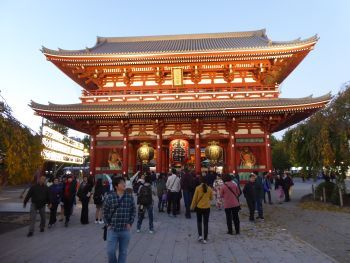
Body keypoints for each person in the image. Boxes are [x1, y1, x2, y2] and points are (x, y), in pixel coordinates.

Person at [104, 177, 136, 263]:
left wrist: (130, 222)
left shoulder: (129, 197)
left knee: (123, 251)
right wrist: (108, 224)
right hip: (113, 229)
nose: (124, 184)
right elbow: (105, 212)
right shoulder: (110, 197)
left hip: (125, 229)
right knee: (110, 251)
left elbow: (133, 211)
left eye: (124, 182)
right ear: (116, 186)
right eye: (121, 183)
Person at [190, 176, 213, 244]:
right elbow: (211, 198)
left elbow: (194, 199)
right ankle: (205, 238)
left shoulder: (197, 188)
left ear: (200, 181)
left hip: (199, 207)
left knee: (199, 222)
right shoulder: (209, 189)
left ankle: (200, 235)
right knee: (206, 223)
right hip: (207, 207)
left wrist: (192, 206)